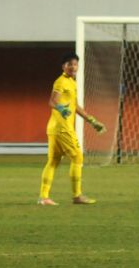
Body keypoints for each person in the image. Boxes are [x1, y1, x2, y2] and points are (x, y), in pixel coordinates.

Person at [38, 53, 106, 206]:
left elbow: (75, 107)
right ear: (63, 66)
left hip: (55, 128)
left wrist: (92, 120)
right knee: (77, 158)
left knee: (53, 161)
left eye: (75, 64)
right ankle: (77, 195)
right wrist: (60, 108)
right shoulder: (61, 82)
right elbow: (52, 101)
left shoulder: (72, 83)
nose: (73, 67)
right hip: (62, 128)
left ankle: (44, 197)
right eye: (70, 64)